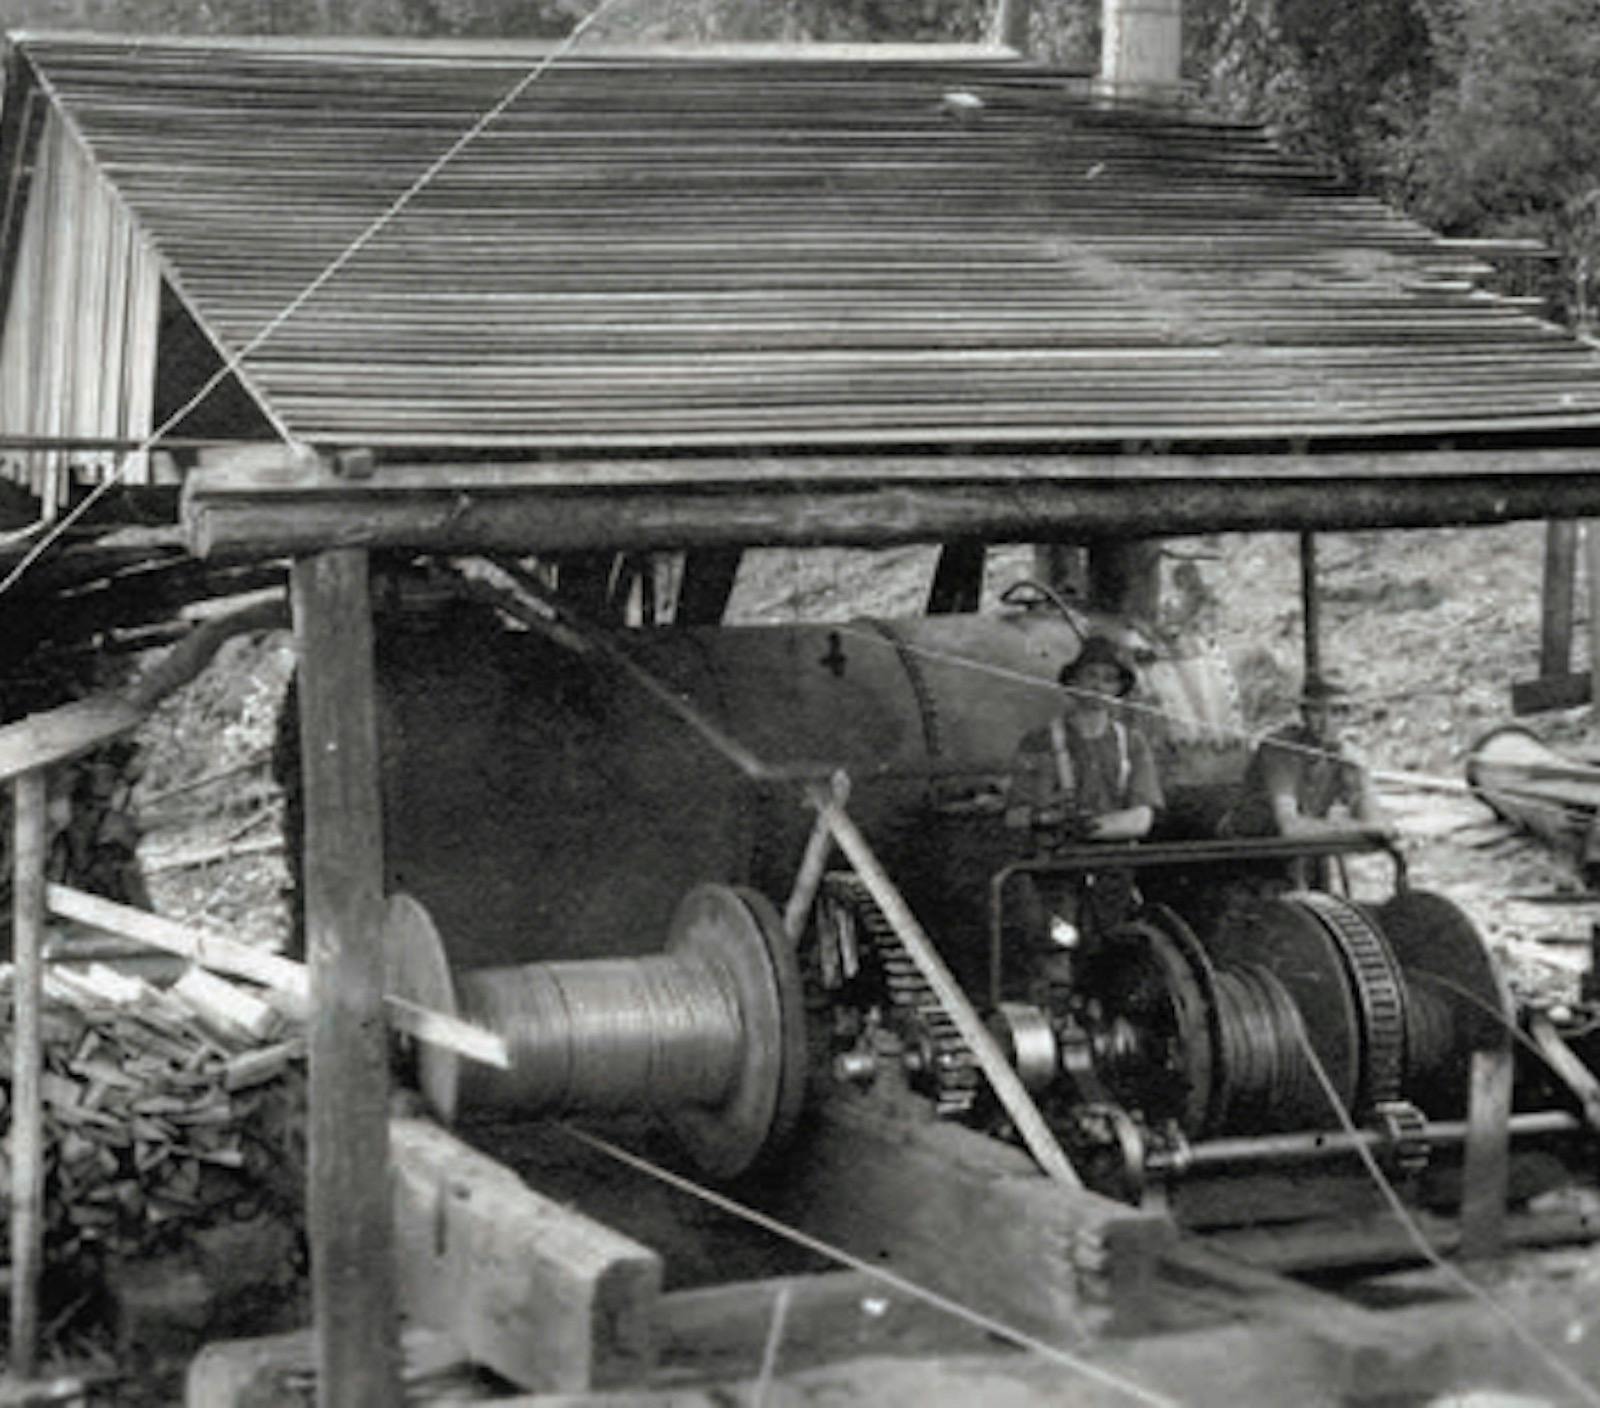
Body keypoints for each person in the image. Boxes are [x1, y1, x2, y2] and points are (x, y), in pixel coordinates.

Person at [1006, 636, 1164, 962]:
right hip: (1056, 870)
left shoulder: (1132, 744)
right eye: (1090, 675)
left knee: (1113, 954)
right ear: (1073, 683)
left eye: (1109, 679)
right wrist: (1047, 819)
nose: (1098, 687)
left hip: (1113, 870)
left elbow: (1142, 818)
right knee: (1056, 952)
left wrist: (1092, 826)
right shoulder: (1040, 741)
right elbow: (1014, 815)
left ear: (1118, 690)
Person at [1223, 674, 1394, 844]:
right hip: (1241, 846)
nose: (1326, 723)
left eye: (1336, 712)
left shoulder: (1347, 756)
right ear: (1303, 714)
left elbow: (1374, 821)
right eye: (1317, 711)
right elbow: (1290, 828)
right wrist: (1360, 829)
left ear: (1347, 717)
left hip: (1295, 849)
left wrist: (1360, 776)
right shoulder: (1281, 750)